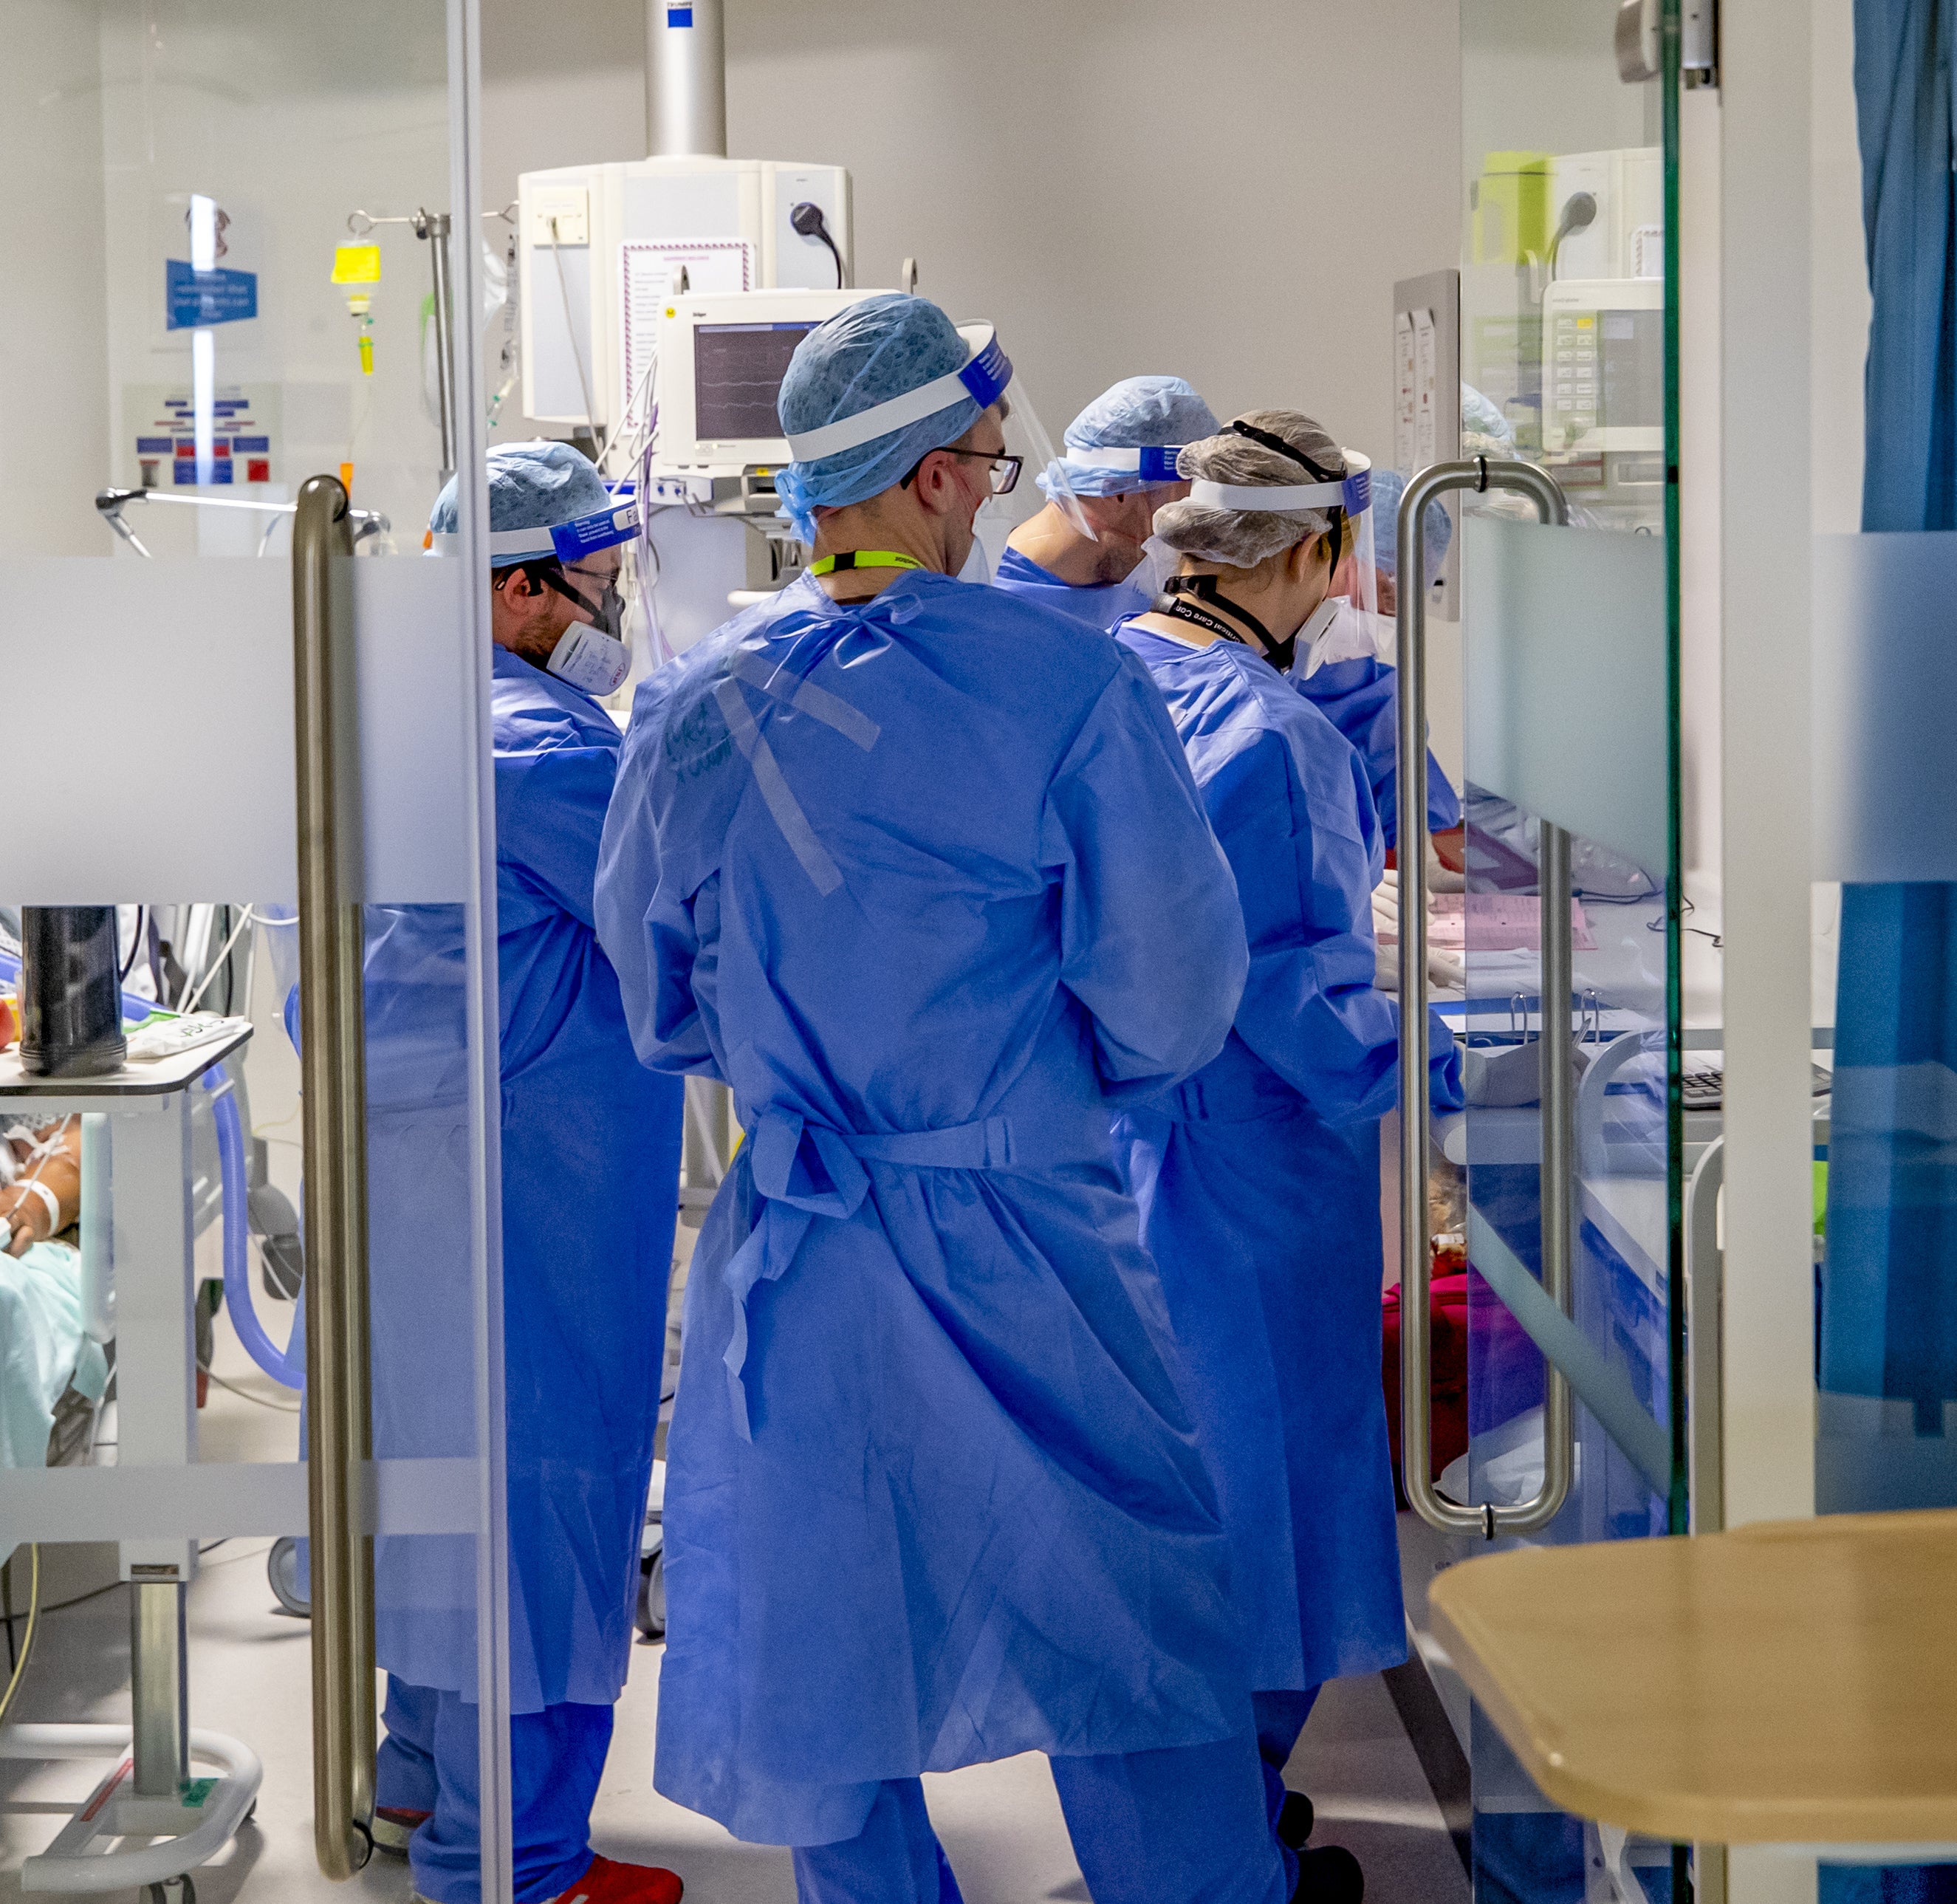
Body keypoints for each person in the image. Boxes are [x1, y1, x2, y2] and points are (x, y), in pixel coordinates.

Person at [594, 293, 1320, 1904]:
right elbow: (1173, 997)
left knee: (827, 1672)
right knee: (1134, 1644)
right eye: (990, 466)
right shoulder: (1061, 692)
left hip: (801, 1252)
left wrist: (824, 1056)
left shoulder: (695, 703)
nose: (997, 490)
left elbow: (661, 1009)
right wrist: (1015, 1092)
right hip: (1029, 1241)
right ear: (931, 475)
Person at [1110, 411, 1467, 1884]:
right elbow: (1300, 1011)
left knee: (1177, 1510)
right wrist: (1455, 1059)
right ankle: (1226, 1853)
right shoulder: (1273, 741)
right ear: (1316, 551)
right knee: (1254, 1524)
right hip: (1244, 1186)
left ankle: (1212, 1829)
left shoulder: (1119, 678)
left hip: (1125, 1162)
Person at [366, 444, 688, 1904]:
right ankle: (514, 1863)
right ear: (516, 588)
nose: (612, 609)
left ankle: (414, 1787)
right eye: (601, 585)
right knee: (540, 1504)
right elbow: (682, 921)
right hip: (530, 1188)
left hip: (421, 1175)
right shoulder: (548, 751)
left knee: (440, 1494)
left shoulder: (394, 724)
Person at [1289, 467, 1464, 877]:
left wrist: (1419, 865)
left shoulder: (1378, 694)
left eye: (1397, 600)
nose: (1381, 614)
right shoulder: (1247, 672)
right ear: (1324, 555)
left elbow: (1404, 826)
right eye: (1379, 588)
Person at [992, 374, 1219, 629]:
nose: (1180, 536)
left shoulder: (1140, 593)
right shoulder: (987, 599)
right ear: (1116, 492)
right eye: (1178, 508)